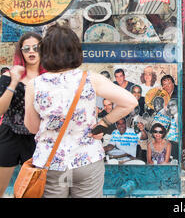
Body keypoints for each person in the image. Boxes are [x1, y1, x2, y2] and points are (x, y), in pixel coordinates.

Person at [24, 24, 138, 198]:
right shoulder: (90, 79)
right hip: (86, 160)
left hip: (51, 163)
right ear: (76, 51)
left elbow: (32, 128)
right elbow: (130, 102)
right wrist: (103, 124)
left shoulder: (34, 85)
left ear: (45, 53)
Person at [0, 32, 46, 198]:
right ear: (20, 52)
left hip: (36, 138)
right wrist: (14, 81)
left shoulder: (49, 78)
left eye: (36, 48)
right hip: (9, 135)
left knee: (30, 192)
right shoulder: (8, 76)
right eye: (26, 48)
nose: (31, 52)